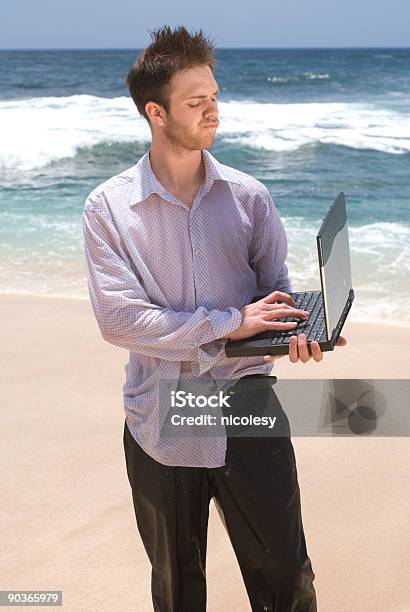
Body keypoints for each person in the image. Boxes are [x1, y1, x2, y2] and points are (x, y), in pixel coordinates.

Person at [82, 26, 346, 612]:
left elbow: (271, 293)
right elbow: (120, 321)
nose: (213, 113)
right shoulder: (108, 208)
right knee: (177, 586)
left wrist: (291, 335)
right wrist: (228, 323)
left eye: (215, 98)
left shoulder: (249, 196)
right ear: (156, 112)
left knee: (287, 577)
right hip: (161, 409)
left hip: (247, 398)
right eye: (196, 103)